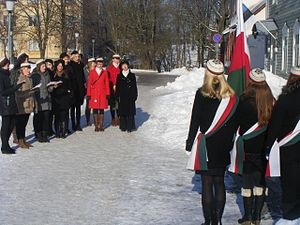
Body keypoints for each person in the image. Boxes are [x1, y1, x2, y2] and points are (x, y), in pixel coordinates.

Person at [185, 59, 238, 225]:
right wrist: (229, 143)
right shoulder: (231, 96)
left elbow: (195, 120)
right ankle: (218, 221)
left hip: (206, 144)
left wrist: (189, 142)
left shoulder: (201, 93)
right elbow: (235, 122)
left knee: (207, 184)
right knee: (219, 182)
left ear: (207, 73)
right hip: (223, 146)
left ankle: (208, 222)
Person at [231, 69, 274, 225]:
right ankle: (257, 216)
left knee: (247, 182)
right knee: (260, 182)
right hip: (264, 148)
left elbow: (235, 123)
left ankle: (247, 216)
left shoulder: (243, 100)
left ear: (250, 81)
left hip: (247, 146)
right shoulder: (271, 101)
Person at [265, 66, 300, 221]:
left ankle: (291, 217)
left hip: (289, 149)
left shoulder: (285, 98)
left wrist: (267, 146)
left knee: (290, 187)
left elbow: (275, 125)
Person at [0, 57, 24, 154]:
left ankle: (6, 144)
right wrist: (16, 87)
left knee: (12, 123)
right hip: (4, 103)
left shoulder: (8, 74)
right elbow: (2, 92)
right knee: (6, 125)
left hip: (11, 102)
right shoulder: (1, 75)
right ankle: (4, 146)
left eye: (8, 64)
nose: (8, 65)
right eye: (6, 64)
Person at [15, 62, 38, 149]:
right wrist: (31, 92)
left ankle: (24, 140)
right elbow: (18, 94)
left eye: (29, 68)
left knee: (24, 124)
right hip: (22, 105)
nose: (29, 70)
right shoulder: (20, 79)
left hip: (29, 104)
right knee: (20, 124)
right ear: (22, 70)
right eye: (27, 69)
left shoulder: (30, 79)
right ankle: (20, 140)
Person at [10, 53, 29, 144]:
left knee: (22, 119)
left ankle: (21, 137)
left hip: (24, 96)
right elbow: (13, 83)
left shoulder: (26, 70)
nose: (26, 62)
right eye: (25, 60)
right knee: (16, 118)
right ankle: (16, 137)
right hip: (16, 95)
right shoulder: (15, 71)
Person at [31, 60, 52, 143]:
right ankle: (38, 133)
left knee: (46, 118)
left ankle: (44, 134)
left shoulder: (47, 75)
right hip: (38, 99)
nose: (44, 67)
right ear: (38, 66)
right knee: (38, 118)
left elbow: (49, 86)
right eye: (43, 66)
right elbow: (32, 87)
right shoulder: (35, 75)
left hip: (47, 99)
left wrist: (51, 87)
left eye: (45, 66)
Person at [86, 57, 110, 132]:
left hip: (102, 92)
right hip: (94, 93)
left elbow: (107, 83)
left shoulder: (105, 72)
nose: (100, 64)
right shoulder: (92, 72)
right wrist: (88, 94)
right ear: (96, 63)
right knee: (95, 109)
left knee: (102, 109)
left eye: (101, 63)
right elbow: (89, 83)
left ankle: (101, 126)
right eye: (98, 63)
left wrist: (108, 93)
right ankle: (96, 126)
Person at [51, 60, 72, 138]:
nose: (60, 68)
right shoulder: (53, 75)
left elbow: (69, 86)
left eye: (61, 66)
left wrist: (69, 92)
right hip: (56, 98)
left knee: (64, 116)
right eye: (59, 66)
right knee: (57, 117)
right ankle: (57, 131)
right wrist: (54, 86)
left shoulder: (66, 75)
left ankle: (63, 131)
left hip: (64, 98)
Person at [116, 60, 138, 132]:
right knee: (122, 112)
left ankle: (130, 127)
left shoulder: (132, 75)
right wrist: (117, 96)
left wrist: (135, 96)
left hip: (130, 96)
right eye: (123, 65)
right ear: (121, 67)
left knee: (130, 112)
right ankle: (123, 126)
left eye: (126, 65)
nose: (125, 66)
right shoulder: (119, 76)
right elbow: (118, 87)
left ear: (128, 66)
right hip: (122, 97)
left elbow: (134, 87)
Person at [69, 50, 86, 131]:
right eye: (75, 57)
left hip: (80, 89)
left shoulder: (81, 65)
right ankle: (73, 124)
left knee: (78, 108)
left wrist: (83, 88)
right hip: (73, 90)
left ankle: (78, 124)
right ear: (72, 57)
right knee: (72, 109)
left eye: (78, 56)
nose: (77, 58)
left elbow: (83, 78)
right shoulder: (70, 65)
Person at [106, 54, 121, 126]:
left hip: (119, 88)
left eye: (118, 58)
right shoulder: (109, 68)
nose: (117, 60)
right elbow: (106, 79)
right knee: (112, 104)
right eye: (116, 58)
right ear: (112, 59)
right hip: (111, 88)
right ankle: (113, 119)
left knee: (119, 104)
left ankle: (118, 117)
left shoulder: (121, 68)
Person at [84, 57, 96, 126]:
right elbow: (83, 78)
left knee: (95, 105)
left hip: (95, 90)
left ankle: (95, 120)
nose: (94, 64)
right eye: (93, 63)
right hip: (88, 90)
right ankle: (87, 120)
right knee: (88, 106)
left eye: (94, 63)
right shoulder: (85, 70)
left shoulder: (96, 70)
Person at [45, 59, 55, 135]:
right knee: (47, 115)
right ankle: (47, 129)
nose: (49, 66)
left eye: (50, 64)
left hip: (54, 95)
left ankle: (50, 129)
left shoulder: (53, 72)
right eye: (47, 64)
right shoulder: (46, 73)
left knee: (51, 114)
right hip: (47, 95)